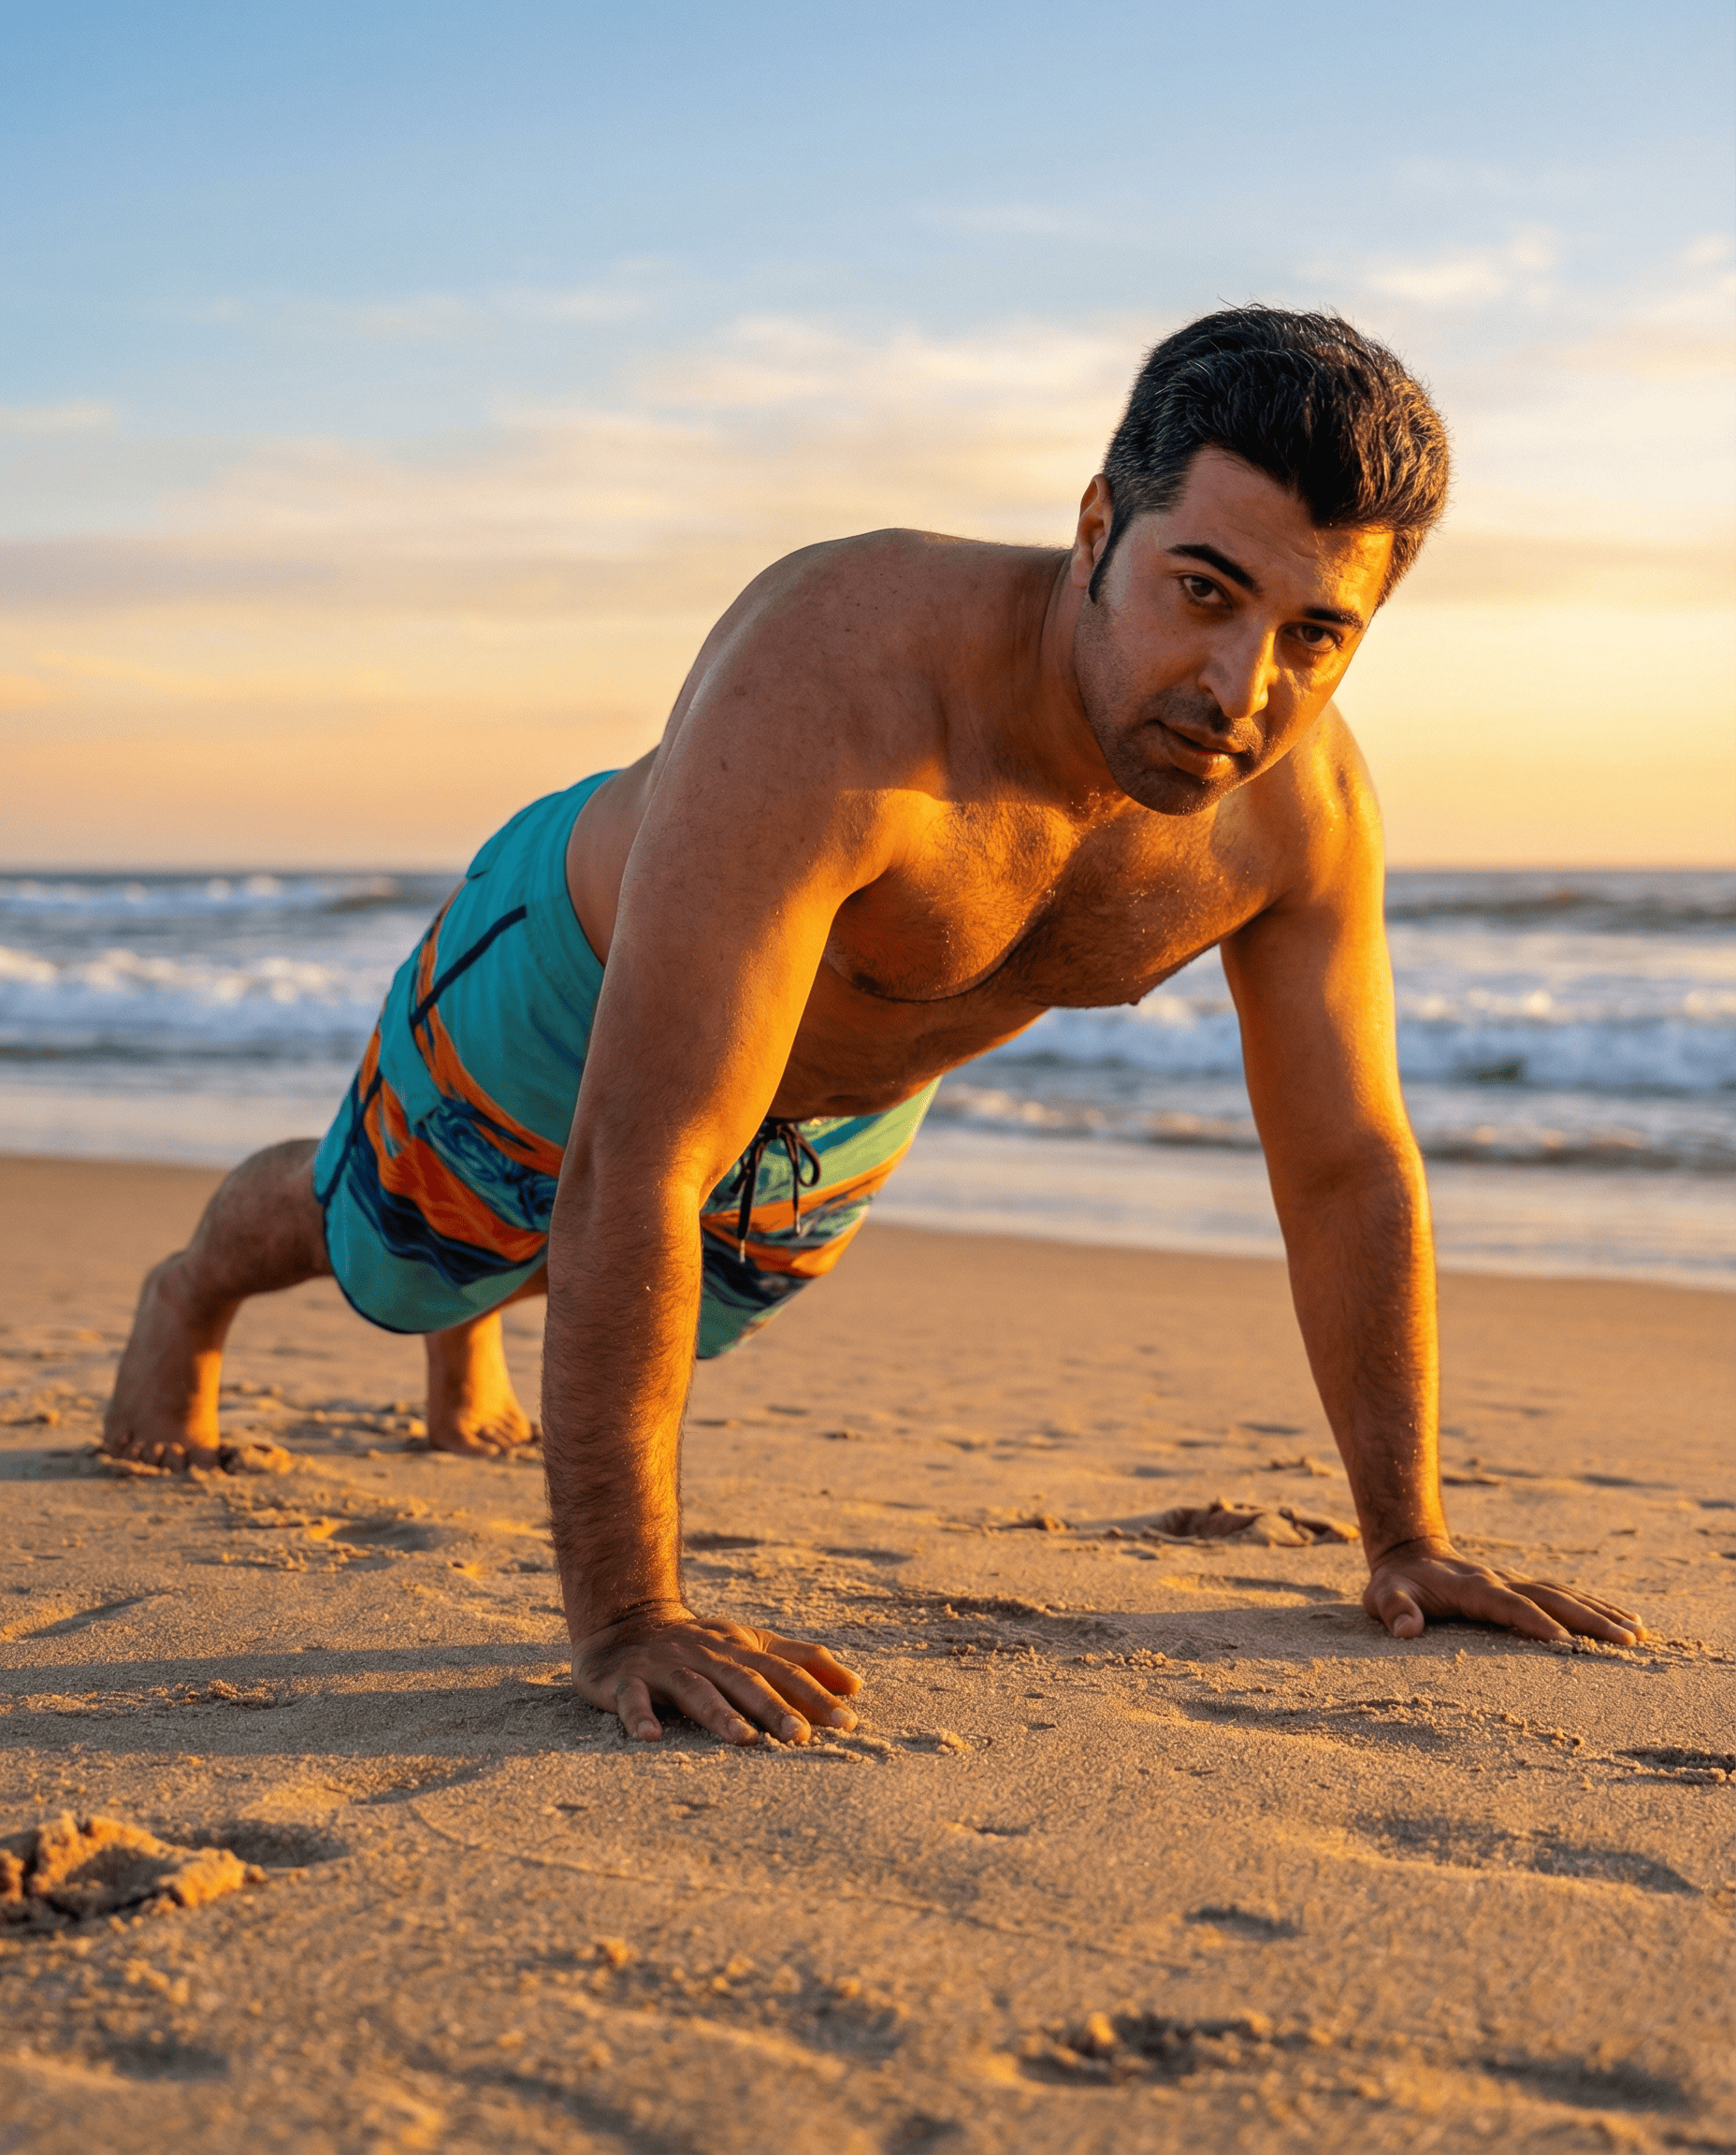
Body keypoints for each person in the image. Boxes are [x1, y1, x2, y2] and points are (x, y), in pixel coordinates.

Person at [103, 307, 1644, 1743]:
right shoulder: (841, 669)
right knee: (404, 1237)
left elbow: (1346, 1167)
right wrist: (630, 1619)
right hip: (577, 974)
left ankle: (481, 1348)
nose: (1243, 685)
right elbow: (637, 1158)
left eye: (1319, 633)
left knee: (630, 1283)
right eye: (1204, 593)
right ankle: (190, 1299)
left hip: (841, 1101)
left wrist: (1407, 1536)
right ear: (1099, 528)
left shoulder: (1296, 814)